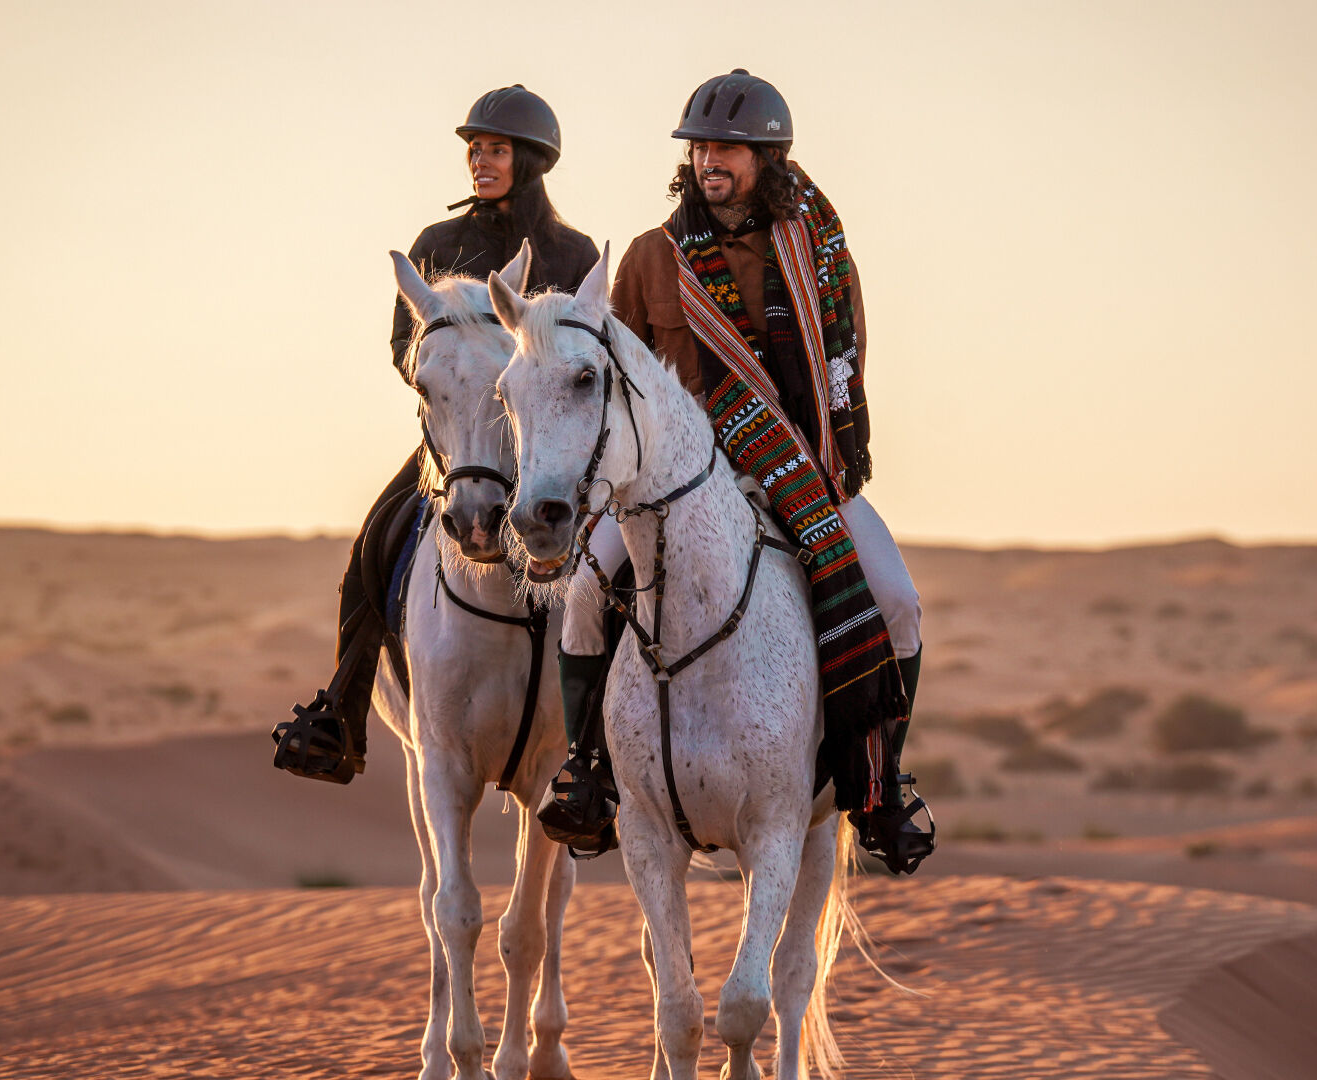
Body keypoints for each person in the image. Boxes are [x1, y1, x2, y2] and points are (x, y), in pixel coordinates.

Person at [537, 70, 934, 874]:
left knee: (897, 602)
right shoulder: (652, 256)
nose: (711, 159)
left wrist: (835, 456)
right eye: (702, 147)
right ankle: (591, 771)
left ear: (769, 157)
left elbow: (847, 370)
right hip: (674, 486)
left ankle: (882, 783)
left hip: (799, 475)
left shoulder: (820, 255)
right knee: (584, 596)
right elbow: (621, 377)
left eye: (730, 148)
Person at [272, 85, 597, 784]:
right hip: (455, 444)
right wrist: (442, 376)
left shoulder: (571, 253)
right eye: (474, 150)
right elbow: (403, 342)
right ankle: (341, 716)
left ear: (531, 161)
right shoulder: (437, 245)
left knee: (619, 559)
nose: (479, 161)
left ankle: (601, 748)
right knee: (372, 543)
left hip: (547, 449)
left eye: (495, 150)